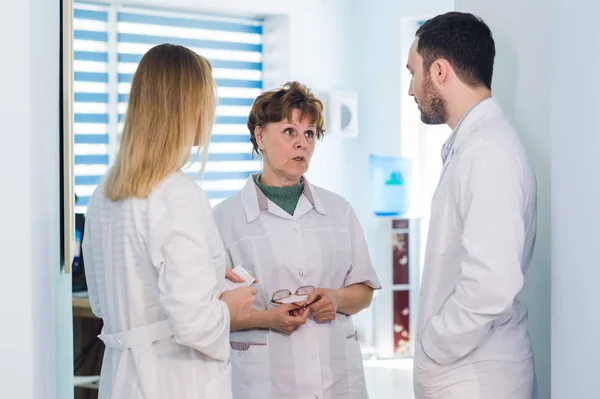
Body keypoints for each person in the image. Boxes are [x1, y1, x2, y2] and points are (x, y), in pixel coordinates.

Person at [82, 43, 256, 399]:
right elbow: (194, 324)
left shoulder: (105, 191)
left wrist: (204, 274)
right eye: (208, 101)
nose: (212, 112)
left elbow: (102, 300)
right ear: (187, 106)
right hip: (176, 380)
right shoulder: (178, 193)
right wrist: (228, 309)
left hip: (122, 377)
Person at [212, 81, 381, 399]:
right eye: (289, 131)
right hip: (264, 383)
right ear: (260, 137)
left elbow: (364, 292)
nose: (302, 143)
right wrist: (266, 319)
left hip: (338, 379)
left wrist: (335, 299)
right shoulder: (223, 220)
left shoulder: (339, 210)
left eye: (309, 133)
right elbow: (210, 314)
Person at [406, 12, 537, 399]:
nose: (410, 90)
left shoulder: (487, 151)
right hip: (468, 374)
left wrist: (434, 348)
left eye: (413, 72)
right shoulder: (475, 145)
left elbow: (490, 284)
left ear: (440, 71)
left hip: (475, 379)